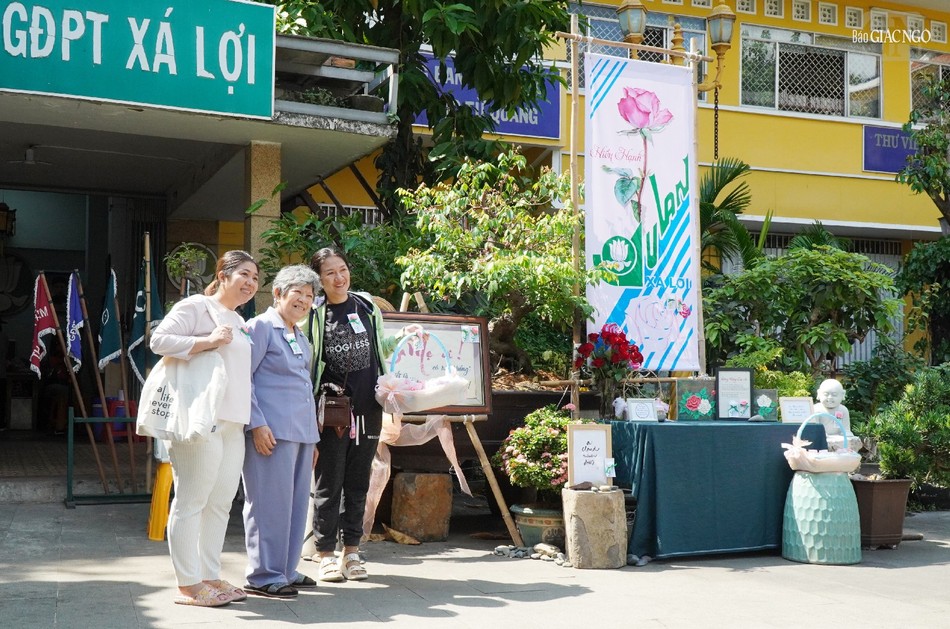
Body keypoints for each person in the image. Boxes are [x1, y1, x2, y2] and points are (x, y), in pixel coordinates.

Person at [150, 250, 259, 607]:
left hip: (233, 422)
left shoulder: (239, 320)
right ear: (223, 275)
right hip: (200, 419)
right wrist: (208, 341)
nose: (251, 283)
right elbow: (158, 340)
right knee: (191, 500)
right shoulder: (197, 306)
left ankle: (210, 575)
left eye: (255, 278)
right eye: (244, 274)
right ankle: (188, 584)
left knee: (220, 503)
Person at [305, 247, 417, 583]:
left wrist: (402, 338)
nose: (339, 277)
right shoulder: (314, 312)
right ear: (319, 279)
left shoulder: (365, 306)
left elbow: (378, 349)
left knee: (358, 483)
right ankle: (325, 554)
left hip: (369, 407)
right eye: (330, 273)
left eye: (342, 269)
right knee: (328, 482)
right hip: (333, 411)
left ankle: (351, 552)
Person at [242, 265, 321, 598]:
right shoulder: (261, 326)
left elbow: (303, 387)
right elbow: (242, 377)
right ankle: (263, 574)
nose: (303, 300)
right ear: (278, 294)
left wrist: (312, 438)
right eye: (297, 293)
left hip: (301, 434)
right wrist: (256, 423)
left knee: (295, 505)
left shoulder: (299, 335)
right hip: (270, 432)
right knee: (268, 504)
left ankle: (286, 569)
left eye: (309, 295)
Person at [813, 378, 862, 451]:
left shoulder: (843, 409)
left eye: (834, 395)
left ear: (842, 395)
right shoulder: (816, 409)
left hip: (838, 438)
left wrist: (845, 433)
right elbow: (815, 429)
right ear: (819, 394)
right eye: (826, 394)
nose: (830, 397)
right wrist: (823, 435)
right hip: (822, 438)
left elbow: (845, 429)